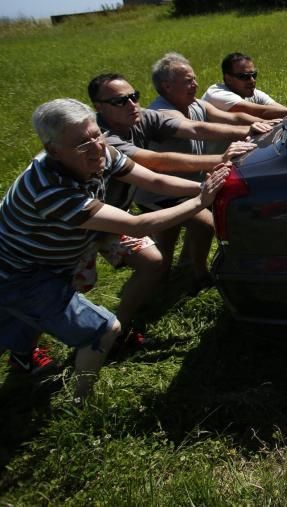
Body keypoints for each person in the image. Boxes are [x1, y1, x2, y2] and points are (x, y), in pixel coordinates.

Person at [0, 99, 228, 398]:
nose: (96, 147)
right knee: (46, 313)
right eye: (83, 143)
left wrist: (204, 187)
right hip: (23, 269)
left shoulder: (98, 151)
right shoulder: (49, 190)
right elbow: (138, 225)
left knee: (152, 261)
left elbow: (155, 180)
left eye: (97, 135)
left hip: (76, 238)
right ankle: (76, 398)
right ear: (54, 150)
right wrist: (201, 201)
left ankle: (106, 334)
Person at [88, 73, 258, 292]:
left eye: (134, 96)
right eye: (120, 101)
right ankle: (194, 275)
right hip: (105, 213)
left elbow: (196, 129)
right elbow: (156, 163)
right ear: (99, 107)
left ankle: (170, 281)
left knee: (163, 250)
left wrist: (249, 130)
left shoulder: (140, 117)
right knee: (204, 225)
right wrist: (221, 159)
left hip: (149, 192)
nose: (132, 104)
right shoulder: (102, 139)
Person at [137, 53, 273, 286]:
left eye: (194, 79)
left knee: (167, 247)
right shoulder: (162, 113)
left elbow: (232, 117)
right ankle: (199, 274)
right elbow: (198, 129)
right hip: (163, 192)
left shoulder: (195, 104)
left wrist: (261, 123)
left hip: (187, 186)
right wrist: (247, 132)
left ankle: (170, 274)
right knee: (205, 224)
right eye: (188, 81)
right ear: (167, 86)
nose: (195, 84)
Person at [201, 52, 287, 119]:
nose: (252, 80)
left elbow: (282, 111)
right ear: (228, 79)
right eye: (244, 77)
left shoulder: (253, 93)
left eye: (254, 75)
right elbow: (262, 112)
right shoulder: (216, 94)